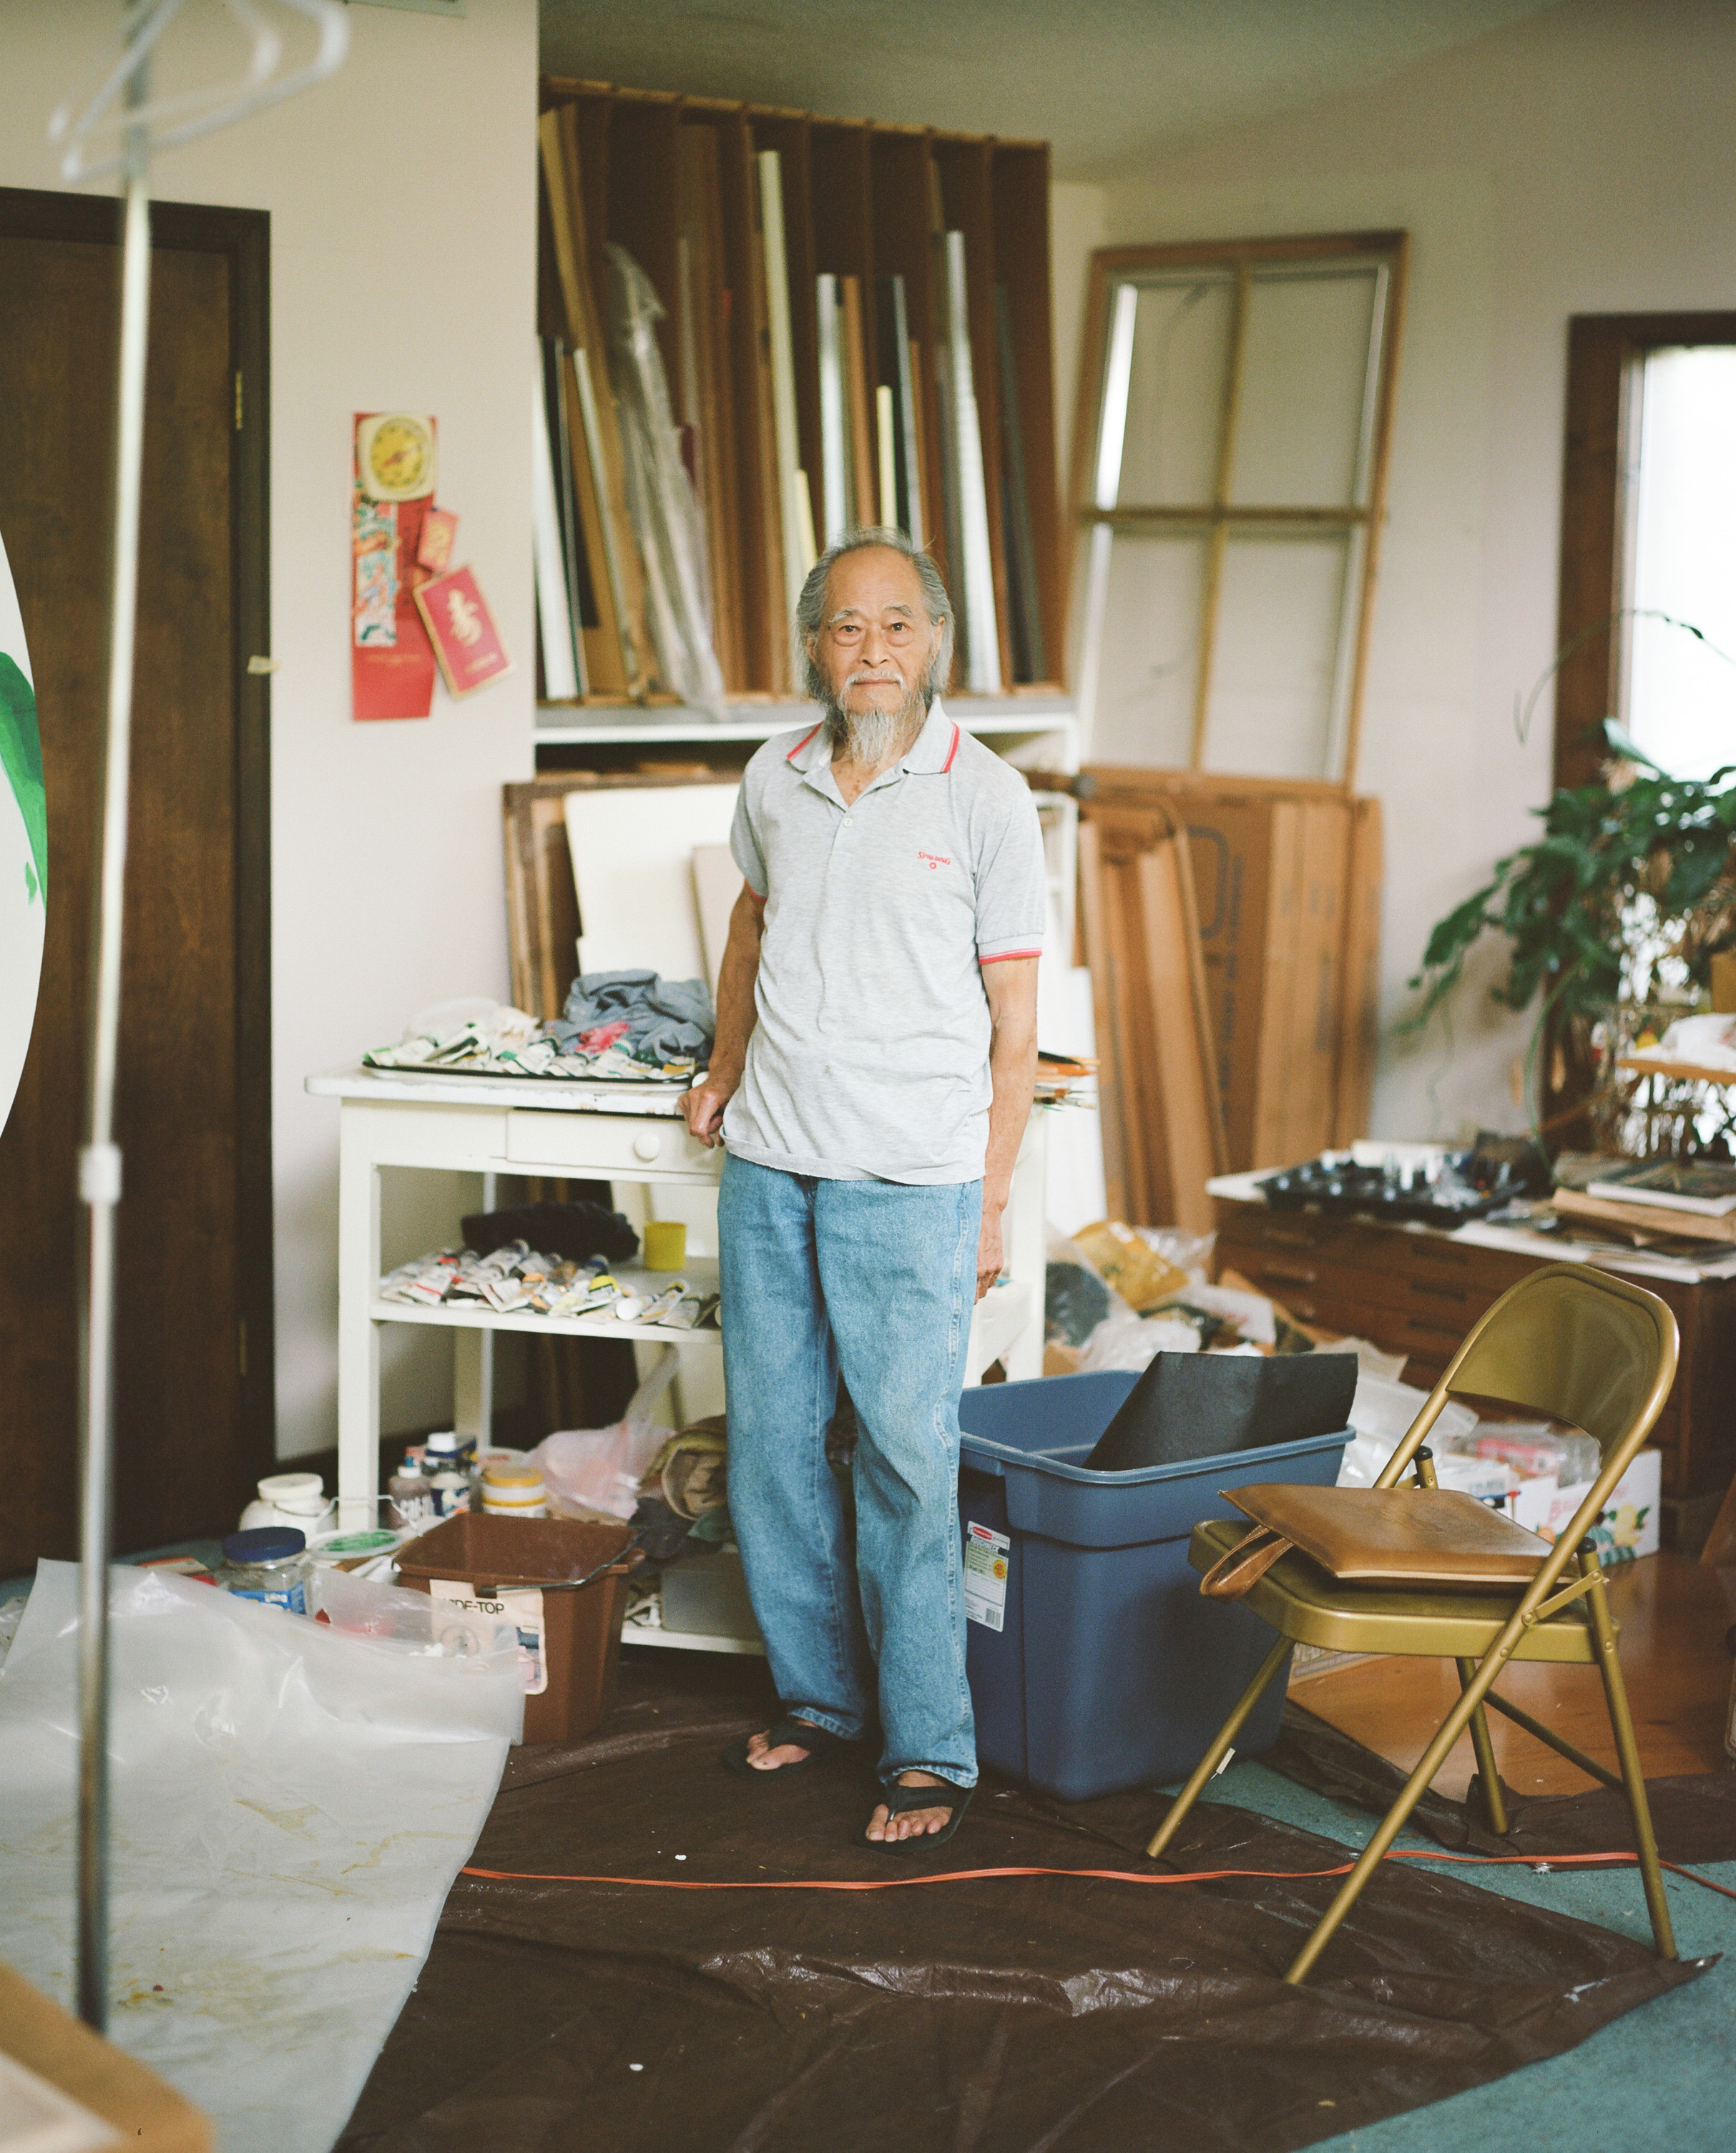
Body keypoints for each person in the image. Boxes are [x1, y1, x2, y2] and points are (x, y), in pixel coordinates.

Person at [680, 527, 1044, 1850]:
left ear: (935, 642)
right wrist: (724, 1070)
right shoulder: (773, 778)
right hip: (775, 1157)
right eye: (847, 626)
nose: (872, 650)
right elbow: (749, 925)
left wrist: (992, 1198)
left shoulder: (985, 796)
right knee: (775, 1448)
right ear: (816, 646)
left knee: (903, 1457)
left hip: (914, 1174)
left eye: (897, 625)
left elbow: (1016, 1020)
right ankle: (821, 1702)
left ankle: (929, 1747)